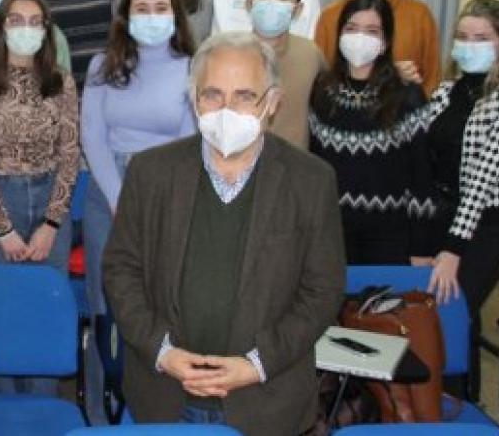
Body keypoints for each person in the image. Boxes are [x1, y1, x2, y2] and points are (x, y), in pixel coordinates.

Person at [103, 32, 344, 435]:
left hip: (267, 402)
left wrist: (256, 364)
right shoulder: (150, 172)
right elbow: (120, 270)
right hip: (165, 396)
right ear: (194, 99)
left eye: (245, 96)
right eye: (213, 94)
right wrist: (162, 352)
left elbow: (323, 290)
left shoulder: (311, 181)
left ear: (272, 102)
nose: (227, 109)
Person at [81, 0, 196, 320]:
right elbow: (92, 134)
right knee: (104, 299)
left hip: (167, 188)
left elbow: (189, 141)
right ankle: (102, 359)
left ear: (175, 15)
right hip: (108, 189)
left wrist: (148, 198)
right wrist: (118, 198)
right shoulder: (101, 65)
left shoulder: (193, 68)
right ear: (126, 16)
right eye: (142, 8)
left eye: (160, 8)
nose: (151, 16)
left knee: (157, 296)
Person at [421, 0, 499, 319]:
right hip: (441, 216)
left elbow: (482, 179)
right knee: (434, 314)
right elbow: (423, 155)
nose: (469, 46)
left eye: (481, 38)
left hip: (485, 227)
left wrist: (453, 249)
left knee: (455, 314)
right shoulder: (445, 92)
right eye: (463, 37)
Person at [0, 0, 80, 277]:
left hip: (51, 199)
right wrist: (3, 230)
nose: (26, 29)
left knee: (47, 297)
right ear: (2, 27)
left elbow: (69, 154)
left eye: (34, 21)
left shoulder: (61, 81)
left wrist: (51, 225)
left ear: (45, 29)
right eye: (16, 21)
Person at [309, 0, 434, 265]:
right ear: (340, 35)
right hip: (331, 233)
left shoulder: (407, 95)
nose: (359, 37)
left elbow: (422, 177)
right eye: (351, 28)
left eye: (371, 31)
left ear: (385, 41)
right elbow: (313, 165)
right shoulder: (322, 91)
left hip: (390, 237)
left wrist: (422, 246)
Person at [245, 0, 324, 149]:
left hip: (295, 162)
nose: (272, 1)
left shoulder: (311, 55)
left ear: (297, 10)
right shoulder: (229, 53)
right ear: (249, 4)